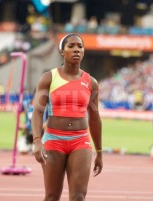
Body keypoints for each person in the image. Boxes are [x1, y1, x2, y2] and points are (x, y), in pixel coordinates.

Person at [31, 33, 103, 201]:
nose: (76, 49)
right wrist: (36, 141)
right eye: (71, 46)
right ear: (62, 51)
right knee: (51, 197)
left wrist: (99, 152)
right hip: (54, 140)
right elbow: (37, 112)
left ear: (84, 51)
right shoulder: (49, 78)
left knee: (78, 196)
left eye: (79, 46)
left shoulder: (91, 82)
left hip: (80, 140)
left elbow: (94, 118)